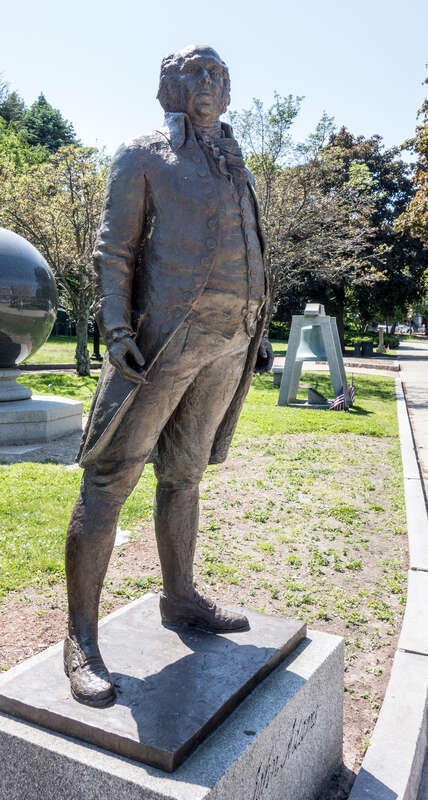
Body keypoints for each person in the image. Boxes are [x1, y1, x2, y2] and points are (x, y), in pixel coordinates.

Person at [64, 44, 268, 708]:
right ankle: (81, 639)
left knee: (185, 474)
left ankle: (180, 597)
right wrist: (117, 330)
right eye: (195, 72)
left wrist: (255, 324)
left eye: (218, 73)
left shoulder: (235, 159)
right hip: (161, 341)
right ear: (169, 86)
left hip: (228, 339)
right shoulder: (143, 155)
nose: (209, 82)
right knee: (110, 478)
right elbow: (114, 249)